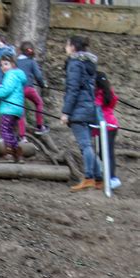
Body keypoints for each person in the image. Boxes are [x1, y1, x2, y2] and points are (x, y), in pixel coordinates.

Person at [61, 35, 102, 192]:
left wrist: (66, 112)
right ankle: (98, 179)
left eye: (67, 45)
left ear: (72, 47)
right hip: (88, 107)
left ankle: (89, 177)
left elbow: (73, 89)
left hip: (78, 108)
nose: (65, 48)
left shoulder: (75, 64)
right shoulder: (88, 64)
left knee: (85, 145)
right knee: (88, 145)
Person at [0, 55, 27, 162]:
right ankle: (18, 154)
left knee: (4, 130)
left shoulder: (11, 75)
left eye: (6, 64)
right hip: (17, 109)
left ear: (12, 64)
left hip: (9, 108)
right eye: (1, 65)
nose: (3, 67)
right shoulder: (17, 76)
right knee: (10, 131)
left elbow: (5, 91)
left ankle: (9, 153)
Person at [92, 71, 121, 189]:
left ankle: (112, 178)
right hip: (113, 124)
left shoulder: (98, 93)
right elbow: (113, 102)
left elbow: (96, 107)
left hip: (103, 126)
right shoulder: (110, 92)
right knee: (108, 153)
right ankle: (110, 177)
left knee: (104, 153)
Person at [16, 41, 49, 140]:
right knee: (39, 103)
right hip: (29, 88)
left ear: (21, 51)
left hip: (18, 90)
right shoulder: (32, 61)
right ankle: (40, 126)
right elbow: (38, 76)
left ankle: (22, 136)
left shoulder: (16, 62)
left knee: (20, 111)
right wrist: (42, 85)